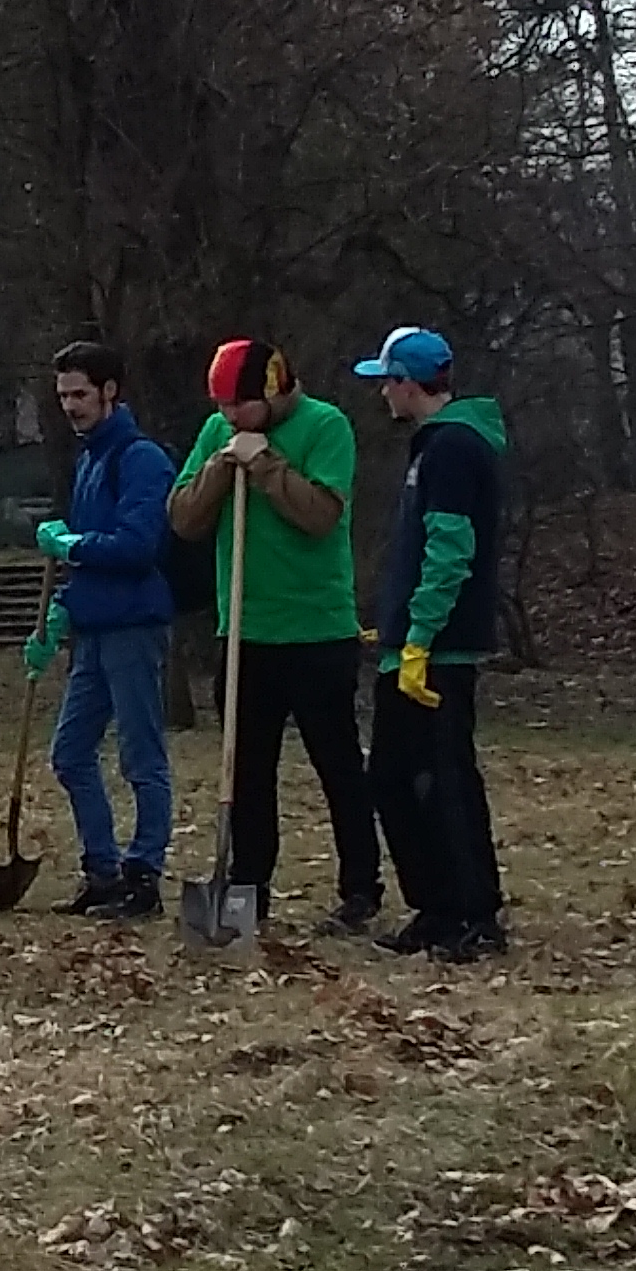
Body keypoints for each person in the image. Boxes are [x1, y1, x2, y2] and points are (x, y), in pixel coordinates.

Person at [166, 340, 379, 932]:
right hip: (244, 632)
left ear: (274, 390)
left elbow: (320, 516)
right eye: (221, 406)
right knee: (247, 772)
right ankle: (247, 889)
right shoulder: (218, 432)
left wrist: (265, 466)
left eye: (240, 405)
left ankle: (361, 888)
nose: (229, 416)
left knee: (337, 766)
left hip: (317, 631)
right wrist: (220, 466)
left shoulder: (326, 425)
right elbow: (183, 518)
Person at [352, 326, 510, 962]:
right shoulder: (432, 448)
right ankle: (436, 906)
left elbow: (450, 552)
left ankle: (475, 913)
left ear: (409, 384)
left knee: (446, 781)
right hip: (413, 646)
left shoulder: (452, 449)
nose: (382, 394)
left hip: (440, 650)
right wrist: (393, 628)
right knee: (392, 779)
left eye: (386, 382)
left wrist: (420, 636)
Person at [24, 341, 177, 920]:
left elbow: (137, 546)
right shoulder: (89, 460)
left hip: (133, 625)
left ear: (110, 391)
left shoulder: (141, 460)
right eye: (63, 394)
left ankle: (144, 877)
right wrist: (57, 616)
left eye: (80, 393)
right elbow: (87, 558)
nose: (70, 405)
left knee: (142, 756)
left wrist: (73, 545)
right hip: (92, 629)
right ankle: (103, 871)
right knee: (70, 754)